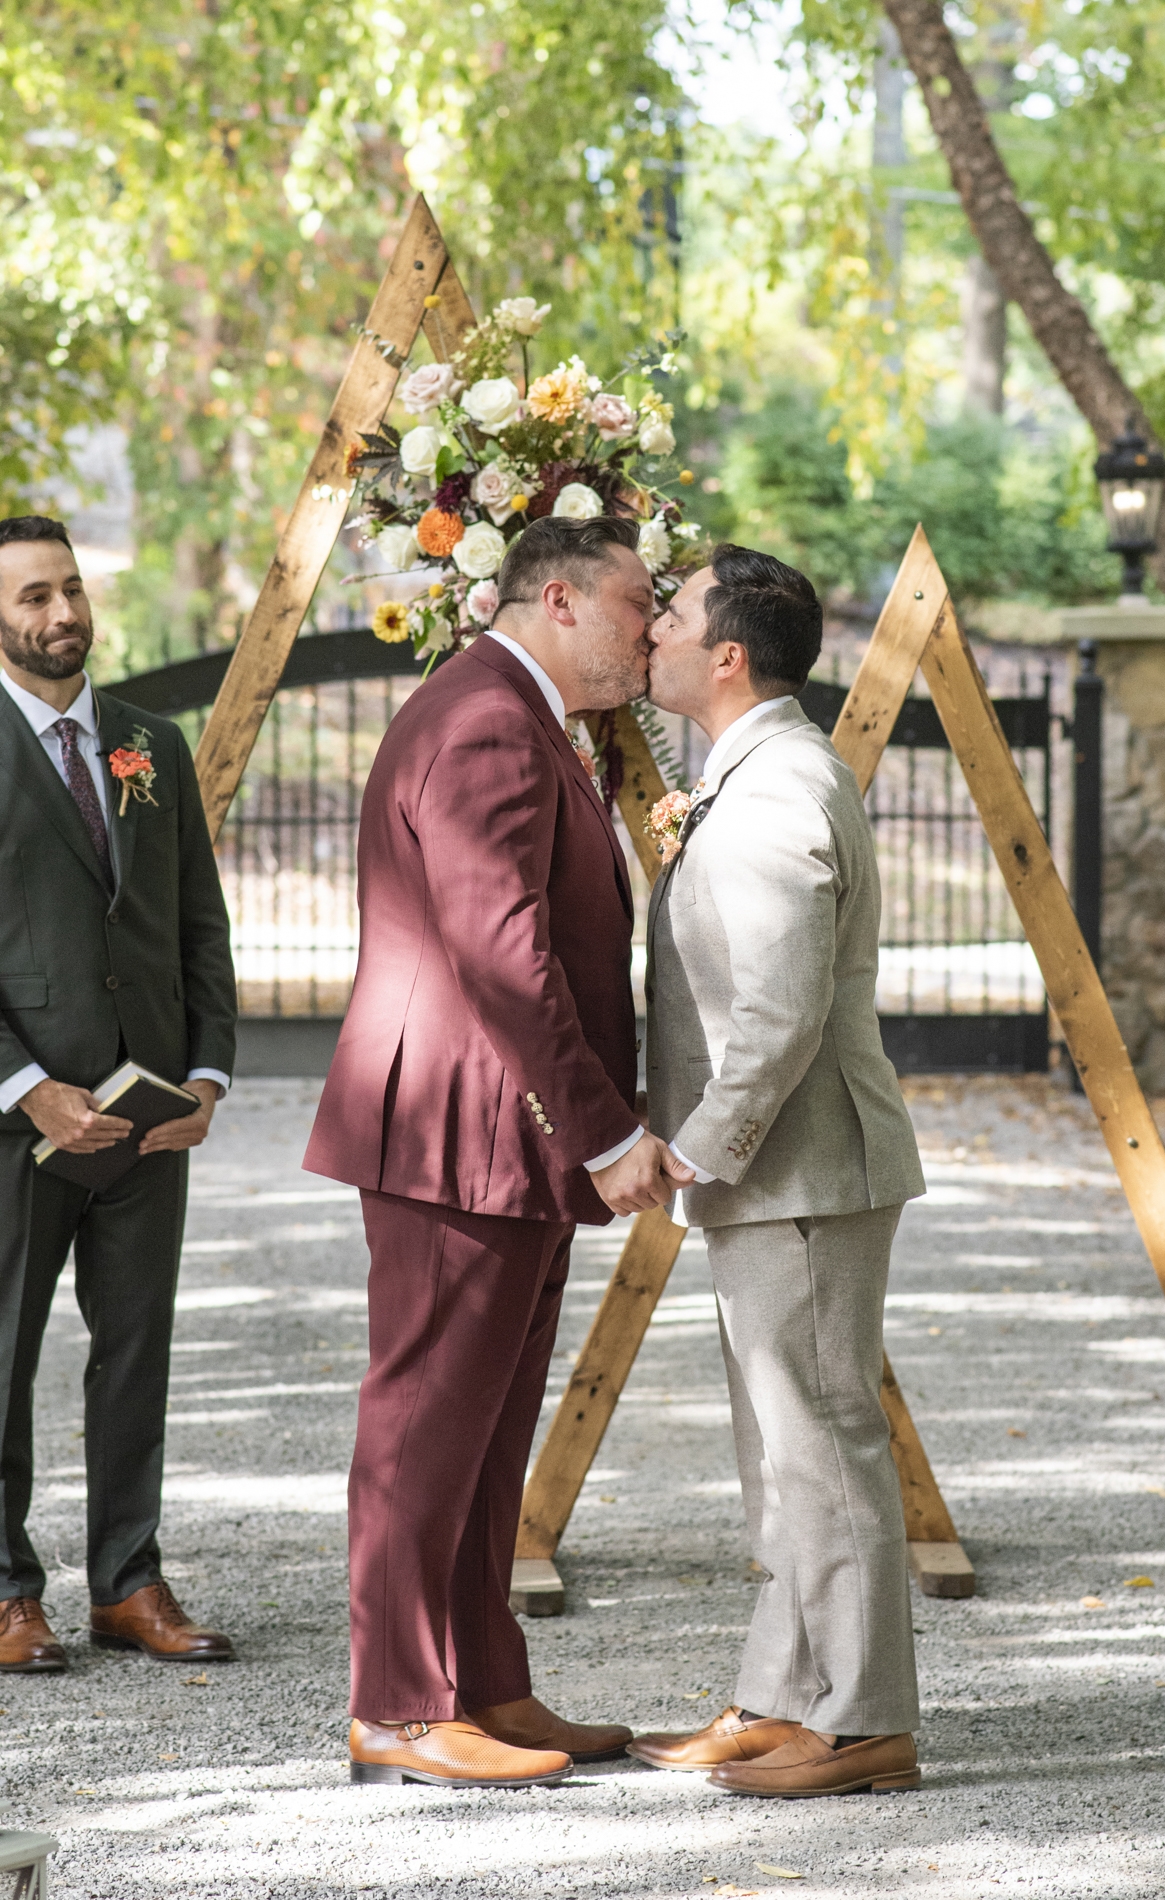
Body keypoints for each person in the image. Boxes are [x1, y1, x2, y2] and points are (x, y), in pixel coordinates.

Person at [305, 514, 694, 1791]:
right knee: (425, 1419)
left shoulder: (521, 713)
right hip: (459, 1128)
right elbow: (502, 951)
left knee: (485, 1426)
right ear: (560, 600)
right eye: (638, 603)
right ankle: (397, 1706)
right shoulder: (485, 719)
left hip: (498, 1133)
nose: (652, 628)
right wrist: (606, 1130)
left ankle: (483, 1682)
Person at [627, 544, 927, 1798]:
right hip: (782, 1172)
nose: (651, 630)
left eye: (672, 617)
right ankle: (781, 1696)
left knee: (821, 1441)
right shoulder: (753, 770)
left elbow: (781, 1010)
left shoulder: (777, 788)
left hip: (803, 1165)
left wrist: (697, 1145)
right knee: (781, 1448)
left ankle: (861, 1724)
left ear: (728, 655)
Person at [0, 515, 237, 1670]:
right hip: (19, 1126)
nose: (62, 613)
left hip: (148, 1123)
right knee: (3, 1356)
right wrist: (25, 1085)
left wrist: (207, 1073)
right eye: (33, 595)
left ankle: (128, 1580)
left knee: (136, 1350)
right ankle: (6, 1591)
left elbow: (197, 921)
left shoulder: (152, 744)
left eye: (72, 589)